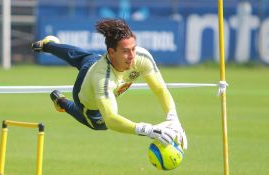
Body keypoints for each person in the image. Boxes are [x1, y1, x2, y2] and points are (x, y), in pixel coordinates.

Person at [32, 19, 187, 150]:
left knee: (82, 57)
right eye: (126, 51)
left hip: (94, 62)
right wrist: (148, 130)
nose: (132, 56)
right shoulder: (102, 78)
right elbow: (111, 119)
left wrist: (173, 118)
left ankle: (48, 45)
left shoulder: (141, 57)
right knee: (100, 124)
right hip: (85, 97)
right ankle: (61, 102)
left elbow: (160, 88)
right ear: (111, 52)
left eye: (133, 49)